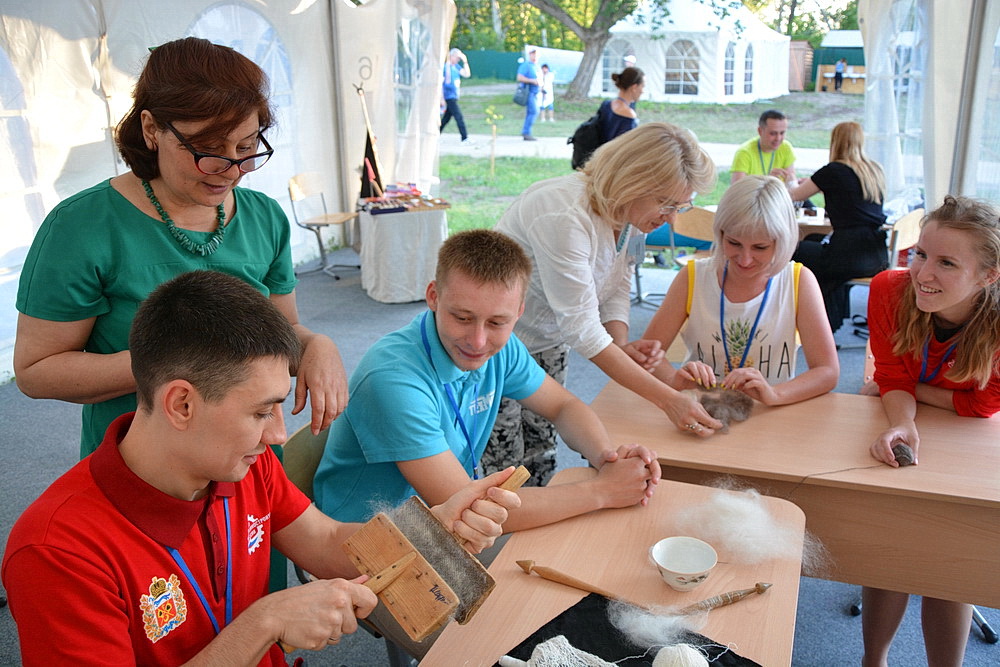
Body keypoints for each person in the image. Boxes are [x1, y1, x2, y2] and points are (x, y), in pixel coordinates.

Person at [1, 270, 521, 665]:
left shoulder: (242, 466)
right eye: (259, 412)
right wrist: (265, 623)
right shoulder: (56, 552)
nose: (277, 435)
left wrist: (434, 531)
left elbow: (326, 542)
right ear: (181, 404)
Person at [13, 37, 347, 459]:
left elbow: (281, 335)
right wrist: (181, 362)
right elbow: (37, 372)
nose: (229, 170)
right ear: (152, 129)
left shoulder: (264, 217)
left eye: (246, 148)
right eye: (207, 149)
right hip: (143, 469)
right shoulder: (83, 227)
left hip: (249, 461)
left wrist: (317, 346)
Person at [313, 229, 660, 526]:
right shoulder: (392, 380)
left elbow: (564, 406)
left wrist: (606, 458)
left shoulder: (501, 348)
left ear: (518, 313)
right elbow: (468, 507)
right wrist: (602, 491)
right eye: (462, 318)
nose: (478, 342)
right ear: (433, 296)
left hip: (439, 521)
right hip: (368, 545)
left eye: (497, 323)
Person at [485, 123, 724, 486]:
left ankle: (532, 531)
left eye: (680, 205)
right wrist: (669, 399)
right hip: (489, 346)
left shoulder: (630, 216)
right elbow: (581, 328)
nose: (672, 217)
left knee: (541, 446)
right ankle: (498, 540)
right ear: (632, 180)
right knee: (500, 459)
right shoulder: (564, 214)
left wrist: (621, 342)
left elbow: (616, 283)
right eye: (667, 203)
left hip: (546, 339)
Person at [860, 196, 1000, 667]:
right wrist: (902, 418)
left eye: (946, 262)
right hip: (909, 425)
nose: (923, 273)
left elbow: (982, 406)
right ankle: (872, 660)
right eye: (920, 254)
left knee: (950, 566)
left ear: (988, 276)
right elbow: (893, 380)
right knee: (889, 550)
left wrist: (903, 390)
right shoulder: (888, 290)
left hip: (969, 449)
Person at [642, 176, 839, 405]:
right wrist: (675, 379)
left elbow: (827, 371)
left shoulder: (798, 282)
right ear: (721, 234)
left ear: (781, 241)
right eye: (734, 243)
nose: (745, 260)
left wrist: (775, 394)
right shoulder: (692, 278)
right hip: (700, 409)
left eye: (760, 247)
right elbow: (648, 354)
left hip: (771, 415)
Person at [789, 121, 888, 332]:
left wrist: (790, 180)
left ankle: (817, 320)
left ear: (835, 142)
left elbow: (794, 196)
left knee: (794, 250)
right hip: (876, 254)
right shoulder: (873, 170)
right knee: (813, 239)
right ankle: (834, 314)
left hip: (847, 255)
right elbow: (853, 198)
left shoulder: (833, 171)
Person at [730, 109, 798, 185]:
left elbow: (791, 181)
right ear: (760, 131)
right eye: (773, 133)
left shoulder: (785, 147)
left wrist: (794, 183)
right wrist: (767, 181)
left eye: (782, 133)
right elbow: (737, 190)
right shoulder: (744, 153)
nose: (778, 138)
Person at [598, 66, 644, 143]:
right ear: (634, 87)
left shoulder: (606, 105)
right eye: (642, 86)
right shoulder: (629, 115)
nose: (643, 91)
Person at [440, 47, 472, 142]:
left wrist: (465, 62)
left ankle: (436, 134)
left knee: (446, 119)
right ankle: (464, 137)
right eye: (457, 57)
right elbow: (441, 84)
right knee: (459, 117)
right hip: (449, 96)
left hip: (454, 95)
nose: (458, 59)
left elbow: (467, 74)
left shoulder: (456, 67)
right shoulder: (445, 67)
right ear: (451, 56)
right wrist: (441, 98)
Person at [516, 48, 540, 141]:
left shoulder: (536, 66)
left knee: (531, 112)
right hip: (528, 92)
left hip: (535, 92)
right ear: (530, 55)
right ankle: (526, 132)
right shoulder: (526, 65)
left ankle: (526, 132)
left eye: (536, 54)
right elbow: (519, 77)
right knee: (534, 111)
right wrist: (532, 81)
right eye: (533, 54)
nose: (535, 56)